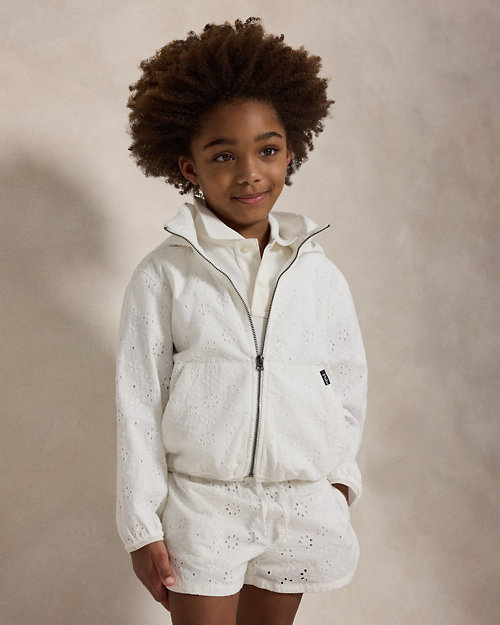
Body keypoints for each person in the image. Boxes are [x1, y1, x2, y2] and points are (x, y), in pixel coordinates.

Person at [116, 17, 367, 625]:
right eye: (224, 155)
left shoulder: (319, 274)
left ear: (291, 152)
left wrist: (338, 481)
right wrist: (140, 524)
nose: (250, 171)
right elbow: (139, 400)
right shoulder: (165, 274)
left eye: (268, 150)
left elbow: (346, 382)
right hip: (202, 505)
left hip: (298, 506)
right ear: (189, 168)